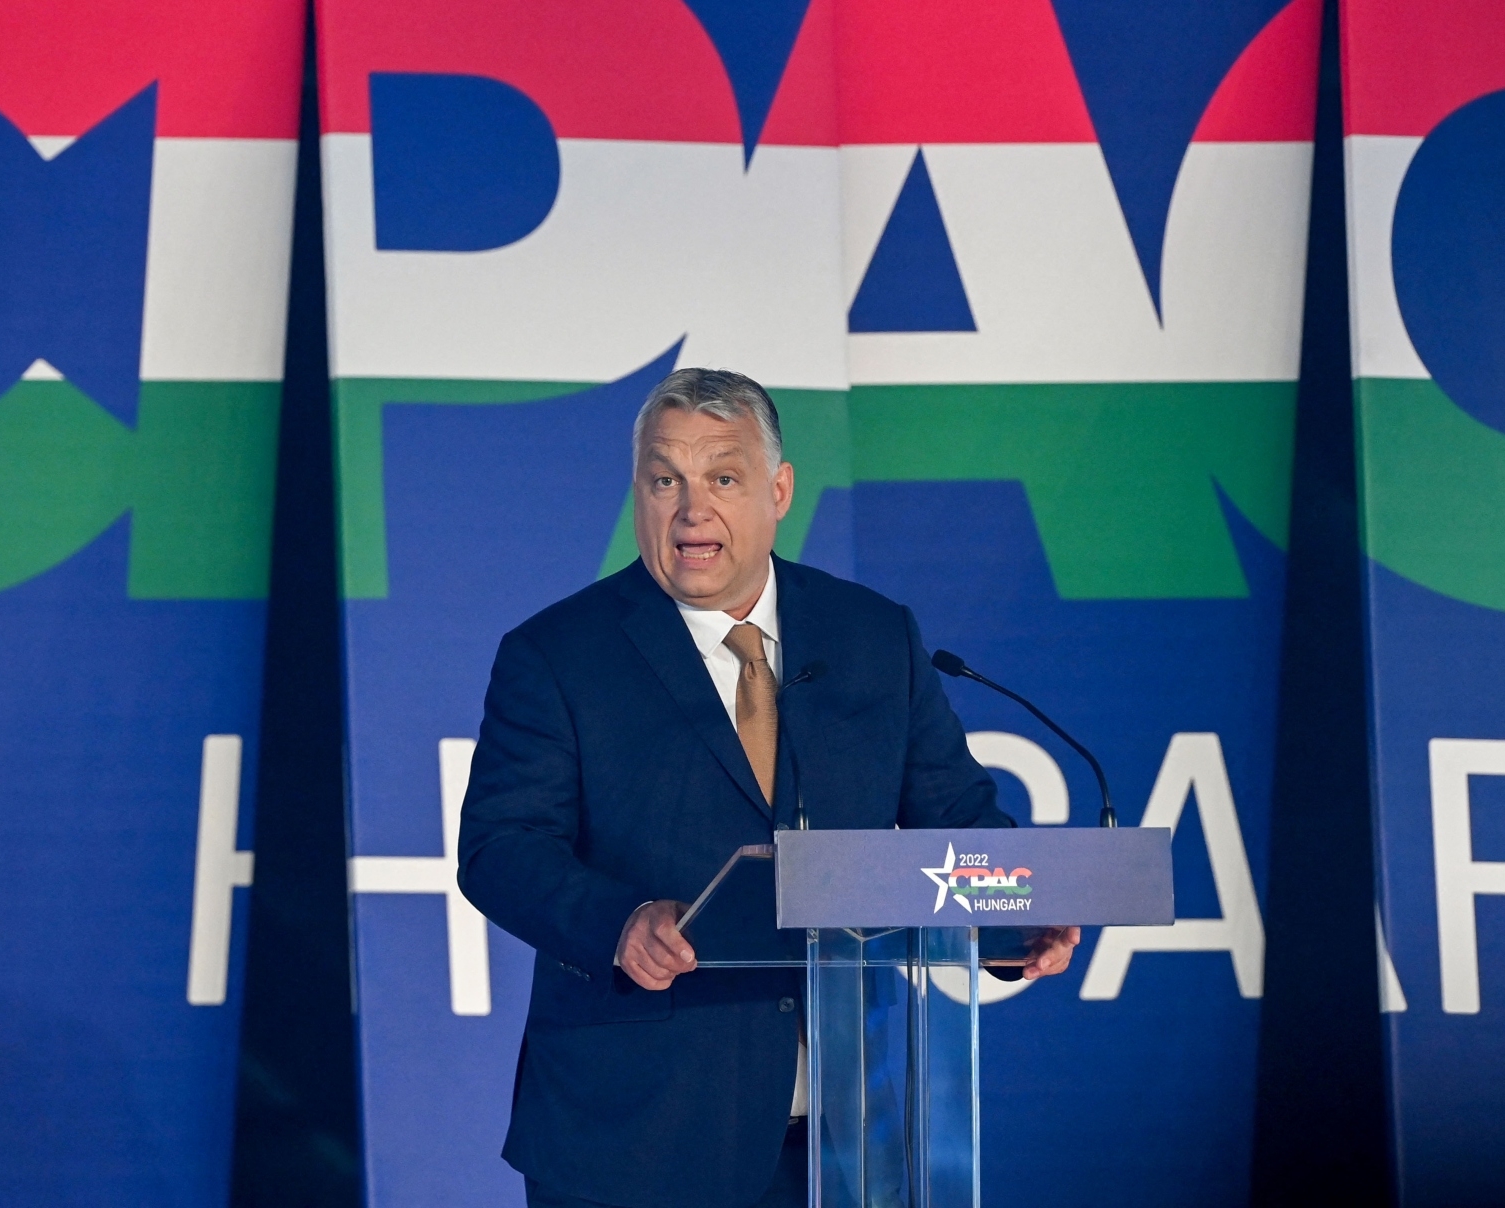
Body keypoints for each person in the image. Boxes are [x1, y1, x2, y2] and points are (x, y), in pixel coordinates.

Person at [456, 368, 1079, 1208]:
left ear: (778, 490)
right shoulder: (559, 655)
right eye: (663, 478)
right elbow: (502, 848)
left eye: (722, 476)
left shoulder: (872, 636)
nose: (690, 508)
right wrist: (621, 923)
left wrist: (1016, 913)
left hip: (843, 1140)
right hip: (636, 1136)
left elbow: (958, 821)